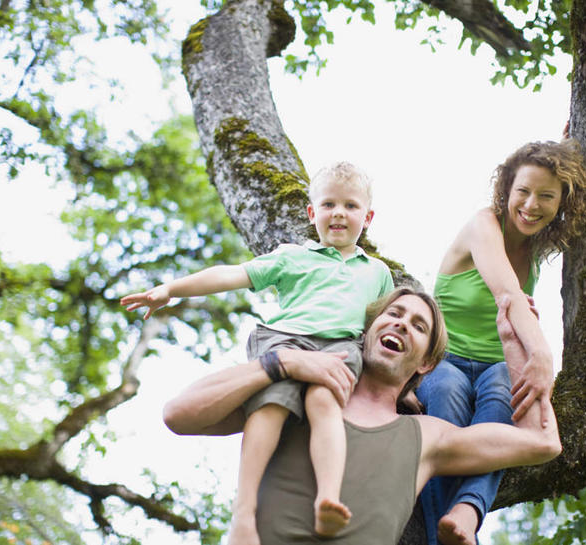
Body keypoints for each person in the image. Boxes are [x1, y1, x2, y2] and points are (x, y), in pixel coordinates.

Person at [120, 162, 393, 544]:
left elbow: (381, 331)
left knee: (325, 403)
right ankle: (244, 512)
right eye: (329, 204)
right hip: (284, 339)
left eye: (350, 206)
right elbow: (230, 274)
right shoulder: (293, 257)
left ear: (368, 217)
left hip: (340, 348)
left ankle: (328, 497)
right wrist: (170, 290)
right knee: (269, 406)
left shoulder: (377, 272)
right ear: (313, 213)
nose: (339, 213)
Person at [162, 287, 562, 544]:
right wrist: (280, 362)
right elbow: (179, 414)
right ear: (369, 330)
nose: (402, 324)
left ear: (425, 364)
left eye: (418, 326)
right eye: (394, 314)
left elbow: (542, 442)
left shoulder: (429, 437)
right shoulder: (300, 396)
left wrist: (518, 343)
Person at [414, 139, 586, 545]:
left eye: (546, 196)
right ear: (506, 190)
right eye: (523, 192)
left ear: (562, 201)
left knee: (505, 401)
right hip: (445, 357)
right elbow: (507, 297)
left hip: (497, 361)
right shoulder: (482, 225)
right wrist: (543, 354)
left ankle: (467, 512)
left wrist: (569, 140)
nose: (531, 204)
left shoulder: (536, 247)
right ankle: (438, 534)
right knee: (447, 395)